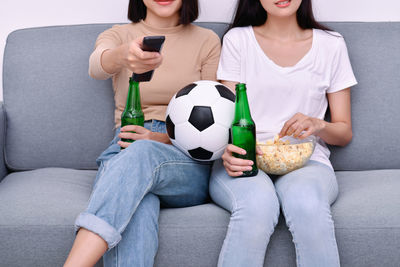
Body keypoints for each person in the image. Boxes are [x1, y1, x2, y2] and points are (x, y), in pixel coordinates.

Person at [63, 0, 221, 266]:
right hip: (124, 147)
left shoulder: (206, 41)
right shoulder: (119, 36)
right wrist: (124, 54)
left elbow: (216, 121)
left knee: (142, 153)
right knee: (137, 202)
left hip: (184, 157)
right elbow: (96, 66)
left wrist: (157, 139)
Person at [209, 0, 357, 266]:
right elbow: (225, 118)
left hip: (305, 160)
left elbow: (344, 132)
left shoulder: (331, 44)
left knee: (307, 204)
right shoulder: (238, 40)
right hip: (246, 157)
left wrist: (319, 125)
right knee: (257, 206)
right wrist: (228, 150)